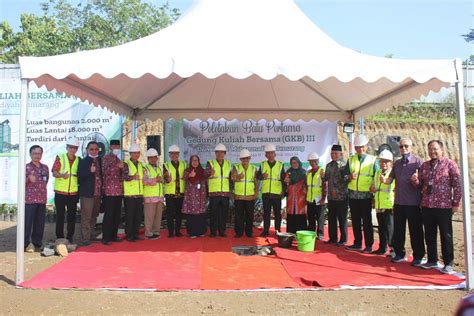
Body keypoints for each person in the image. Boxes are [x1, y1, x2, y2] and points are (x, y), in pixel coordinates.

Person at [412, 140, 462, 273]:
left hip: (444, 206)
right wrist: (415, 180)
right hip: (427, 205)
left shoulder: (450, 164)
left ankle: (448, 262)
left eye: (435, 149)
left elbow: (457, 184)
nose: (432, 151)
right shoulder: (424, 166)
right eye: (430, 149)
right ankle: (432, 260)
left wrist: (456, 202)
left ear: (442, 149)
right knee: (429, 234)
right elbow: (419, 184)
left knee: (446, 235)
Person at [385, 138, 426, 265]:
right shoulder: (396, 164)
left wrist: (416, 181)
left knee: (415, 231)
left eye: (406, 146)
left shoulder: (418, 162)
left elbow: (423, 183)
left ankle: (418, 256)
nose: (404, 148)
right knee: (398, 230)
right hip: (399, 202)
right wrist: (382, 179)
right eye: (401, 146)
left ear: (411, 147)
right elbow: (390, 179)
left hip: (413, 203)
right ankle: (399, 253)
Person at [343, 134, 379, 253]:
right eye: (357, 147)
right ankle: (357, 243)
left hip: (366, 196)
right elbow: (343, 175)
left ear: (366, 146)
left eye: (362, 147)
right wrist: (348, 176)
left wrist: (374, 188)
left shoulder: (373, 160)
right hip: (353, 195)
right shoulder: (351, 159)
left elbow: (377, 176)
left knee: (367, 221)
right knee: (355, 220)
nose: (359, 149)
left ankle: (369, 245)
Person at [52, 136, 81, 243]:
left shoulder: (79, 160)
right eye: (71, 147)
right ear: (67, 147)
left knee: (72, 216)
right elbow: (54, 172)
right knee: (60, 215)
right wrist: (61, 175)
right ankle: (59, 237)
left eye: (75, 148)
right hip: (60, 192)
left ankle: (70, 237)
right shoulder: (60, 157)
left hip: (73, 193)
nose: (72, 149)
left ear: (77, 149)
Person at [24, 145, 49, 252]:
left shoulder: (45, 167)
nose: (37, 156)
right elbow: (21, 184)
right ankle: (25, 243)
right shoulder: (26, 167)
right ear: (30, 154)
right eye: (35, 153)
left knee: (40, 223)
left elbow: (45, 181)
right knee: (27, 223)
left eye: (39, 153)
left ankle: (37, 242)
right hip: (30, 200)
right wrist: (28, 179)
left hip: (42, 199)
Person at [370, 150, 395, 255]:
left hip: (389, 205)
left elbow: (396, 189)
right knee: (381, 228)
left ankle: (394, 249)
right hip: (379, 204)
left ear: (390, 162)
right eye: (382, 161)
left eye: (386, 161)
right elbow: (372, 186)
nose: (383, 163)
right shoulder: (377, 173)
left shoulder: (393, 174)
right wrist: (372, 189)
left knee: (390, 229)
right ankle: (382, 247)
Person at [77, 141, 102, 246]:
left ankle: (91, 234)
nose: (94, 151)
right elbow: (79, 177)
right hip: (87, 193)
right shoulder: (83, 161)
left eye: (96, 149)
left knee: (94, 215)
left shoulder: (101, 161)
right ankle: (85, 238)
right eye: (91, 149)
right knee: (86, 216)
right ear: (87, 150)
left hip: (98, 193)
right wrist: (89, 171)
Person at [323, 144, 349, 246]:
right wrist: (322, 176)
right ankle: (333, 238)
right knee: (331, 218)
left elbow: (346, 180)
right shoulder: (329, 165)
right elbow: (326, 178)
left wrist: (336, 190)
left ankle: (343, 239)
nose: (333, 155)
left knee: (342, 219)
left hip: (341, 196)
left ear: (340, 154)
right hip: (331, 197)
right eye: (332, 153)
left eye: (336, 153)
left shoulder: (344, 165)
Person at [257, 144, 285, 237]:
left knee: (277, 213)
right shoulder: (262, 164)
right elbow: (257, 176)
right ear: (265, 155)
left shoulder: (280, 165)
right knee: (266, 213)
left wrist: (283, 191)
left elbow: (284, 179)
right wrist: (262, 176)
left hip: (277, 193)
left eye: (272, 153)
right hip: (266, 193)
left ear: (275, 154)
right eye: (268, 153)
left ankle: (277, 230)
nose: (270, 155)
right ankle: (266, 230)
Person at [101, 139, 124, 244]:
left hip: (118, 191)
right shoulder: (105, 159)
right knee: (109, 215)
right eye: (114, 147)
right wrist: (116, 167)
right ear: (110, 148)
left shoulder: (118, 159)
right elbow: (104, 172)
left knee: (116, 215)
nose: (116, 149)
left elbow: (122, 175)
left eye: (118, 147)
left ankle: (114, 236)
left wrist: (123, 168)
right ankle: (106, 237)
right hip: (109, 191)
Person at [206, 143, 232, 237]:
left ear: (225, 154)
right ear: (215, 153)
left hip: (225, 193)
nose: (220, 154)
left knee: (224, 214)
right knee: (213, 213)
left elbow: (230, 178)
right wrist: (209, 172)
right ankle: (213, 232)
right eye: (218, 152)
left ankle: (222, 231)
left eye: (222, 152)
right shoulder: (210, 163)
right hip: (214, 193)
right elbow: (205, 174)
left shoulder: (228, 163)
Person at [232, 149, 258, 238]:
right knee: (239, 216)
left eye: (246, 158)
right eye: (243, 159)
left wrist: (256, 193)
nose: (245, 160)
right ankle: (239, 232)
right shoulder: (236, 167)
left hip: (250, 196)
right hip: (239, 196)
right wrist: (238, 177)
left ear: (249, 158)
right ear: (240, 159)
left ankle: (249, 232)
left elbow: (256, 182)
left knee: (250, 216)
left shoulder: (254, 168)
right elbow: (232, 178)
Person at [182, 155, 209, 238]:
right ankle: (192, 232)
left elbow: (209, 173)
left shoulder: (202, 171)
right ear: (190, 162)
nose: (195, 162)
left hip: (201, 197)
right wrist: (190, 175)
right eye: (193, 160)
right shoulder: (187, 171)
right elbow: (184, 177)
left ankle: (201, 232)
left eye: (196, 160)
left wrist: (211, 170)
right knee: (192, 215)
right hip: (191, 197)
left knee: (200, 215)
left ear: (199, 161)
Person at [163, 145, 186, 238]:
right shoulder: (166, 165)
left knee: (179, 214)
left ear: (179, 154)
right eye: (172, 154)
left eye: (176, 153)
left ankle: (177, 231)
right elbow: (165, 178)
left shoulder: (184, 164)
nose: (174, 155)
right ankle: (171, 233)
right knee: (170, 214)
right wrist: (168, 179)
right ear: (169, 155)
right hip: (170, 194)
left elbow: (186, 175)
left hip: (180, 193)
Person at [122, 143, 144, 242]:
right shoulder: (126, 164)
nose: (136, 154)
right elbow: (124, 177)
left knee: (138, 216)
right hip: (130, 195)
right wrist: (132, 177)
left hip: (139, 194)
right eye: (134, 153)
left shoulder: (140, 164)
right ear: (130, 154)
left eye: (138, 153)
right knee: (129, 216)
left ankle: (135, 234)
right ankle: (129, 235)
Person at [143, 148, 164, 240]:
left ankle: (156, 232)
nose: (152, 159)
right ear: (148, 159)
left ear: (157, 158)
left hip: (159, 197)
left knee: (158, 216)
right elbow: (144, 181)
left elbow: (162, 180)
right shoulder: (145, 169)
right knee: (149, 216)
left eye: (154, 157)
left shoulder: (159, 169)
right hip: (150, 197)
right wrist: (156, 180)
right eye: (150, 158)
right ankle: (148, 233)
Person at [305, 152, 326, 240]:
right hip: (310, 199)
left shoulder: (322, 171)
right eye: (310, 161)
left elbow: (325, 186)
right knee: (311, 217)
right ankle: (311, 233)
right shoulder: (308, 173)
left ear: (317, 161)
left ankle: (320, 234)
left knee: (320, 218)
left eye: (314, 161)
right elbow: (307, 186)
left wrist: (323, 199)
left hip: (319, 199)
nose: (312, 163)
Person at [285, 156, 307, 234]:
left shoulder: (303, 173)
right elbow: (285, 183)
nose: (294, 164)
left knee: (300, 214)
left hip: (300, 197)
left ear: (299, 162)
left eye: (296, 162)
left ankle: (301, 233)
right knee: (291, 213)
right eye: (292, 163)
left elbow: (306, 185)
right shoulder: (288, 172)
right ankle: (291, 233)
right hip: (291, 197)